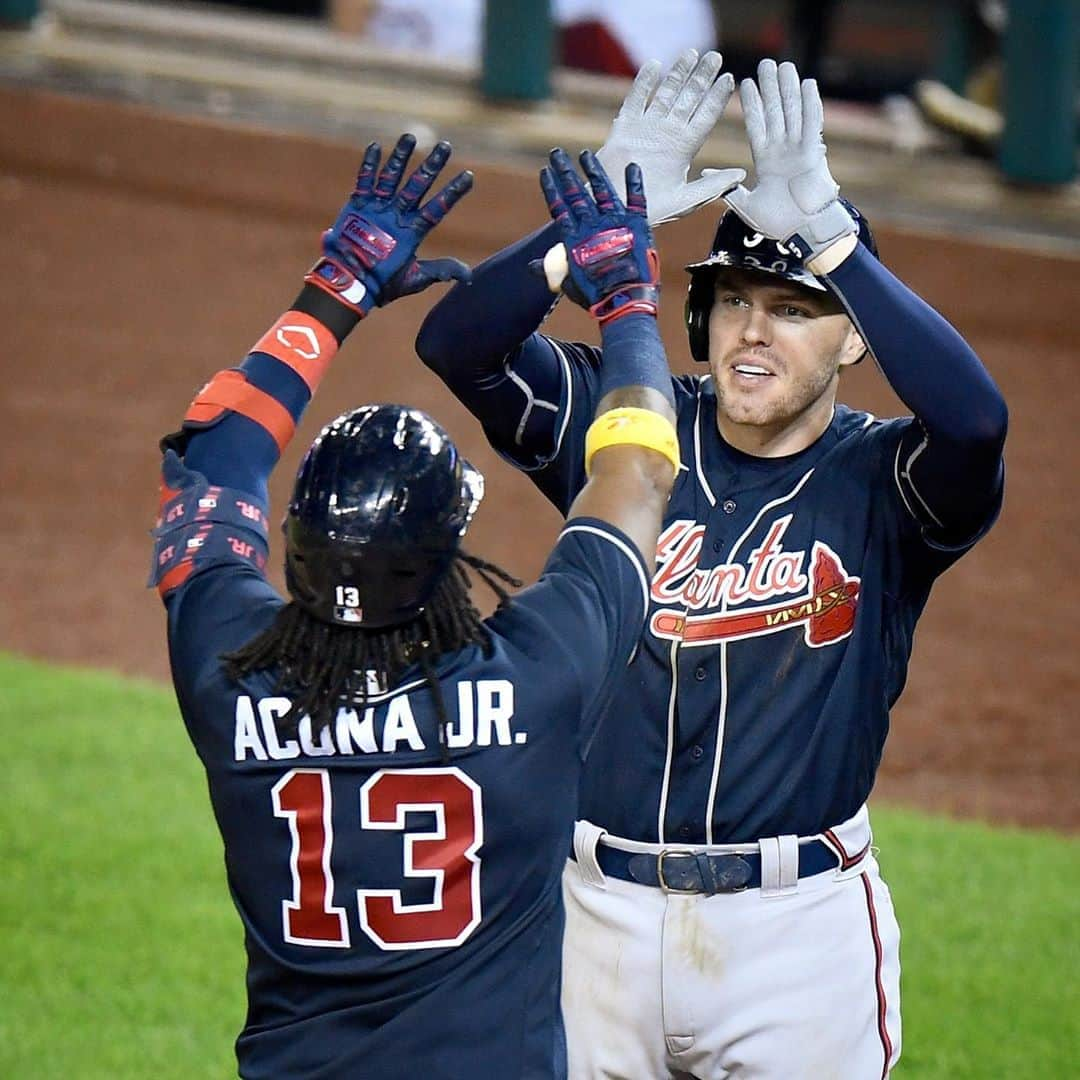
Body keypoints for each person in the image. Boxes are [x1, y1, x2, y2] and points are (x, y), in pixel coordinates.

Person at [416, 57, 1008, 1078]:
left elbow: (977, 421)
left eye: (792, 308)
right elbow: (456, 343)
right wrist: (591, 221)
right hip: (594, 913)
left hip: (796, 937)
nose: (751, 332)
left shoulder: (883, 482)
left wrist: (836, 238)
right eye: (733, 300)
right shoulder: (633, 425)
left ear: (852, 337)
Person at [150, 132, 680, 1078]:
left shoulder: (225, 668)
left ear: (298, 543)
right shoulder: (535, 680)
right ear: (448, 561)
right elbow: (637, 473)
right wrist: (630, 301)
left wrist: (339, 284)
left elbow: (217, 450)